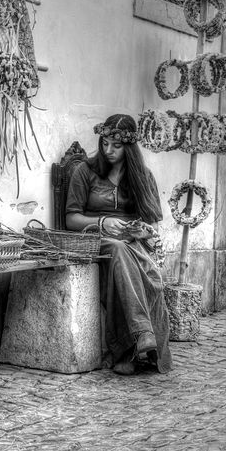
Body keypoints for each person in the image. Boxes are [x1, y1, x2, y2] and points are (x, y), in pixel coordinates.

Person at [64, 113, 172, 375]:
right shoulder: (85, 172)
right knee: (119, 249)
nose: (108, 150)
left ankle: (129, 354)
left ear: (130, 147)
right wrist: (103, 222)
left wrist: (142, 231)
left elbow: (153, 222)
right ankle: (142, 332)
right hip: (94, 239)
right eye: (104, 143)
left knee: (137, 263)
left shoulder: (142, 176)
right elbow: (70, 218)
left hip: (133, 244)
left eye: (117, 145)